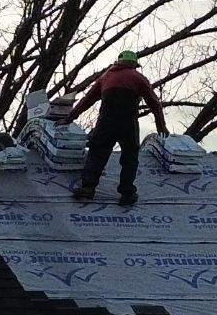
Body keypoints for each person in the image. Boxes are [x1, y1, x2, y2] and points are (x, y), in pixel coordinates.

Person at [54, 50, 155, 204]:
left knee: (97, 153)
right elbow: (154, 103)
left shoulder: (106, 76)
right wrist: (161, 125)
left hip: (106, 122)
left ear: (118, 62)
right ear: (134, 64)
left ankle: (87, 188)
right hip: (128, 123)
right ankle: (127, 193)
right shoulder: (138, 78)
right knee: (130, 157)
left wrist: (69, 118)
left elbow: (87, 100)